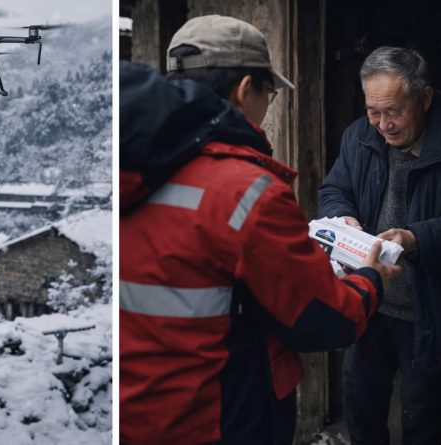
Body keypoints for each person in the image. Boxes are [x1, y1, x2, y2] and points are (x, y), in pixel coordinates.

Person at [120, 15, 401, 445]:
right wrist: (369, 280)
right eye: (268, 91)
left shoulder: (128, 167)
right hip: (219, 418)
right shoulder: (245, 192)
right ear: (244, 89)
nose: (268, 104)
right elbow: (325, 322)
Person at [318, 46, 441, 444]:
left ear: (425, 98)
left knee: (423, 416)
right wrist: (343, 216)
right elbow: (334, 189)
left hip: (426, 309)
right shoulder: (358, 135)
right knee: (362, 407)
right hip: (367, 300)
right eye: (373, 111)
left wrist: (413, 238)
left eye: (394, 111)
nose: (382, 124)